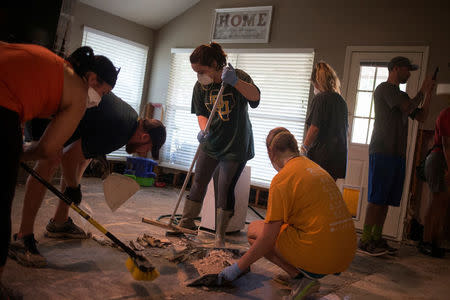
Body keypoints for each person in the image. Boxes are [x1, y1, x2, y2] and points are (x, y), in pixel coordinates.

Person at [0, 42, 117, 287]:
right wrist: (15, 154)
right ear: (92, 79)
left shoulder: (58, 68)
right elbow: (46, 149)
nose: (100, 100)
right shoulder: (78, 94)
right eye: (103, 93)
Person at [8, 92, 166, 267]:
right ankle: (23, 237)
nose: (141, 152)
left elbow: (79, 153)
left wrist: (73, 183)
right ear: (144, 138)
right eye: (147, 148)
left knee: (84, 158)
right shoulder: (121, 131)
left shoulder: (129, 121)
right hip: (50, 110)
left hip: (67, 113)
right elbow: (68, 157)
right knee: (51, 159)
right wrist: (73, 187)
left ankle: (60, 222)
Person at [217, 128, 356, 300]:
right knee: (274, 229)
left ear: (271, 152)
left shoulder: (283, 178)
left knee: (254, 231)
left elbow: (267, 239)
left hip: (322, 256)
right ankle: (298, 275)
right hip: (345, 253)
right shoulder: (315, 168)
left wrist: (237, 268)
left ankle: (301, 279)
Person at [178, 42, 260, 247]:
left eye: (202, 71)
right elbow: (201, 113)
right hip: (211, 142)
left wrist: (235, 82)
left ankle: (219, 236)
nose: (199, 76)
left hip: (236, 144)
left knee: (224, 188)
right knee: (198, 182)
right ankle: (186, 225)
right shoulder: (200, 86)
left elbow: (256, 98)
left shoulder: (237, 76)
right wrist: (203, 129)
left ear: (215, 63)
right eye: (195, 72)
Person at [358, 57, 435, 256]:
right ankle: (365, 240)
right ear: (395, 69)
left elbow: (421, 116)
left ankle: (377, 237)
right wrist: (422, 90)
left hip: (397, 153)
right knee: (377, 199)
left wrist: (429, 95)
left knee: (386, 199)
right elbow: (409, 107)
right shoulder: (385, 89)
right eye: (407, 69)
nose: (409, 73)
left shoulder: (401, 95)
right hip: (382, 150)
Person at [303, 61, 348, 180]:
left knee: (314, 192)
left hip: (322, 157)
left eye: (313, 84)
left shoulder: (320, 99)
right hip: (338, 157)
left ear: (317, 82)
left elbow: (314, 128)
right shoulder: (341, 101)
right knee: (326, 192)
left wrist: (304, 148)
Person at [419, 89, 450, 258]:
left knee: (442, 202)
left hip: (442, 159)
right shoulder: (447, 114)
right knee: (437, 200)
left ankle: (435, 241)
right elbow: (446, 144)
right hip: (439, 158)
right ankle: (426, 241)